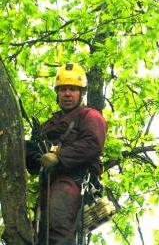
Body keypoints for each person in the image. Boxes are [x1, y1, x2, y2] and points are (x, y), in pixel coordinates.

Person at [26, 63, 107, 245]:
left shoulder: (90, 116)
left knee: (57, 230)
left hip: (71, 182)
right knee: (39, 235)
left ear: (81, 93)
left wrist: (59, 157)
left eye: (72, 89)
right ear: (57, 93)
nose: (67, 94)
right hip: (48, 186)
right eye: (63, 89)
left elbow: (92, 143)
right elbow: (33, 162)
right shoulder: (48, 125)